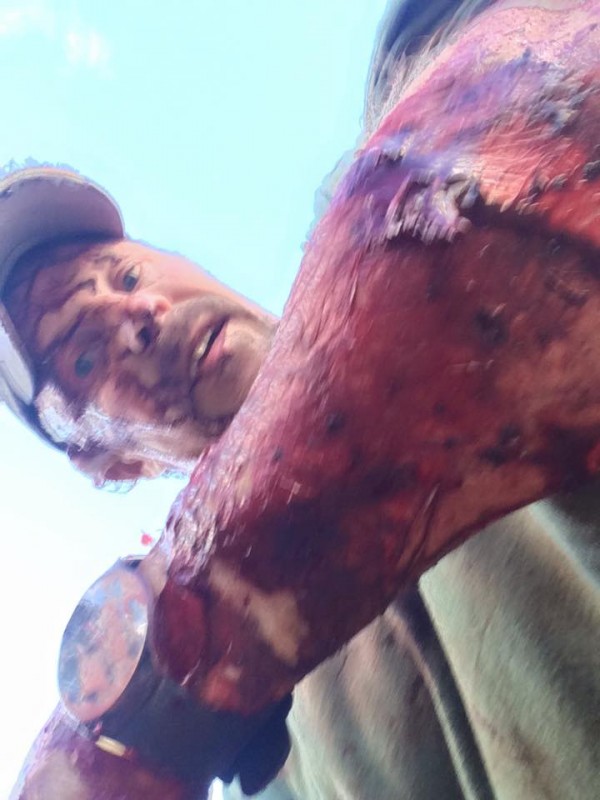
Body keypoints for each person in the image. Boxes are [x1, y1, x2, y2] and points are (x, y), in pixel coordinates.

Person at [3, 1, 600, 799]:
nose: (138, 315)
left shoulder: (421, 175)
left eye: (128, 274)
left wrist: (204, 595)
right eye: (84, 352)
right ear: (114, 463)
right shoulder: (278, 763)